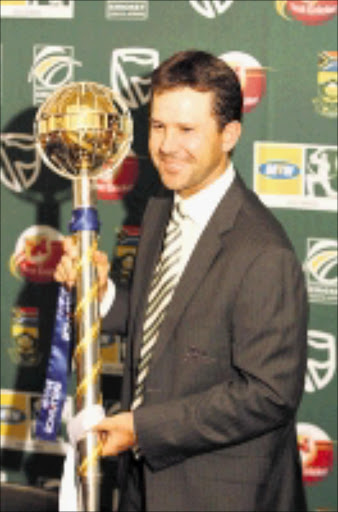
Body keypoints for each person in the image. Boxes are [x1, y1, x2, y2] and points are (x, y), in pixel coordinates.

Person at [55, 50, 308, 512]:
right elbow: (161, 322)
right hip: (143, 486)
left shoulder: (264, 251)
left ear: (229, 134)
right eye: (158, 126)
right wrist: (99, 291)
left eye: (187, 130)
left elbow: (270, 394)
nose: (167, 146)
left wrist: (143, 429)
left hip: (219, 496)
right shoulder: (161, 207)